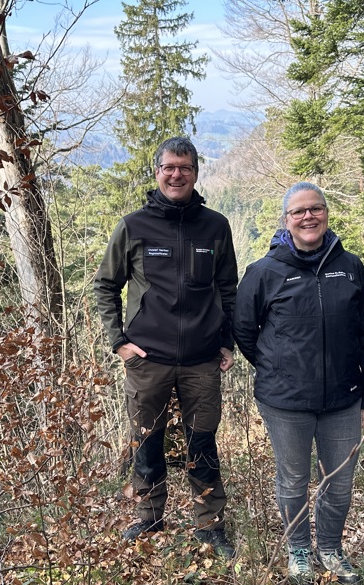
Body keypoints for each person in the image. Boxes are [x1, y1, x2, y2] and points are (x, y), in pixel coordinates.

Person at [233, 182, 364, 585]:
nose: (308, 217)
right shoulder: (264, 271)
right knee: (294, 480)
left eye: (316, 209)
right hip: (285, 403)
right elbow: (244, 330)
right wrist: (276, 368)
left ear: (326, 214)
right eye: (299, 211)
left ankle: (331, 548)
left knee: (340, 482)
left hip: (343, 399)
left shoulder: (349, 266)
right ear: (286, 220)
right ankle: (298, 549)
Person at [93, 136, 238, 558]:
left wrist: (227, 341)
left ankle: (209, 525)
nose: (177, 175)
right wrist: (119, 342)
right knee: (147, 441)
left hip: (202, 361)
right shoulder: (134, 226)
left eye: (185, 168)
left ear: (196, 173)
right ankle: (149, 516)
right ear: (157, 172)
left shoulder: (215, 226)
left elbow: (228, 287)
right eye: (169, 167)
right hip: (147, 360)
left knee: (203, 444)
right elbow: (106, 285)